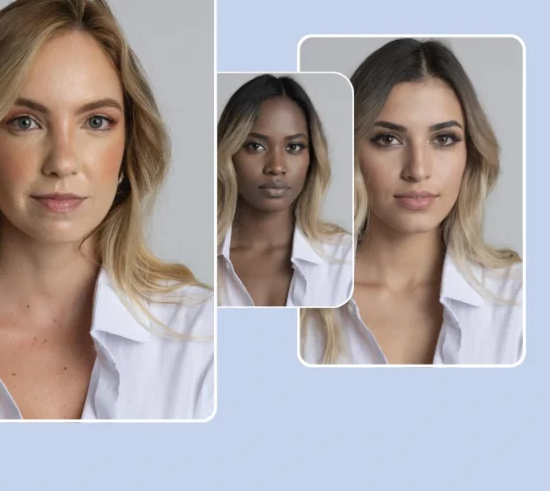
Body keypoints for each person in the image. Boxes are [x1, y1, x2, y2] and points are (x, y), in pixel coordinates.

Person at [0, 0, 214, 420]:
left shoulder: (207, 341)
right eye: (25, 122)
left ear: (129, 145)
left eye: (96, 122)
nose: (62, 161)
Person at [300, 38, 523, 365]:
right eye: (388, 139)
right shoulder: (295, 297)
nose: (417, 170)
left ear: (470, 153)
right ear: (353, 153)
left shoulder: (521, 302)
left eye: (443, 139)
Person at [217, 75, 353, 307]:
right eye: (255, 146)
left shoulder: (347, 260)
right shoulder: (203, 267)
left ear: (312, 157)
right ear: (229, 153)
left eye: (294, 147)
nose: (276, 167)